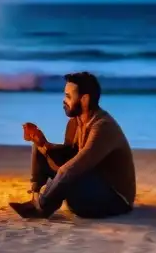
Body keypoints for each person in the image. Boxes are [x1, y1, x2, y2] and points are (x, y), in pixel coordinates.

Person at [10, 71, 135, 220]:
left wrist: (47, 199)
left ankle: (41, 208)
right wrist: (43, 144)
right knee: (40, 147)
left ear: (84, 99)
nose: (64, 101)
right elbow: (68, 156)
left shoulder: (102, 126)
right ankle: (34, 198)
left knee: (69, 172)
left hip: (115, 199)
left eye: (68, 96)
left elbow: (75, 166)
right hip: (89, 182)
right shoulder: (75, 122)